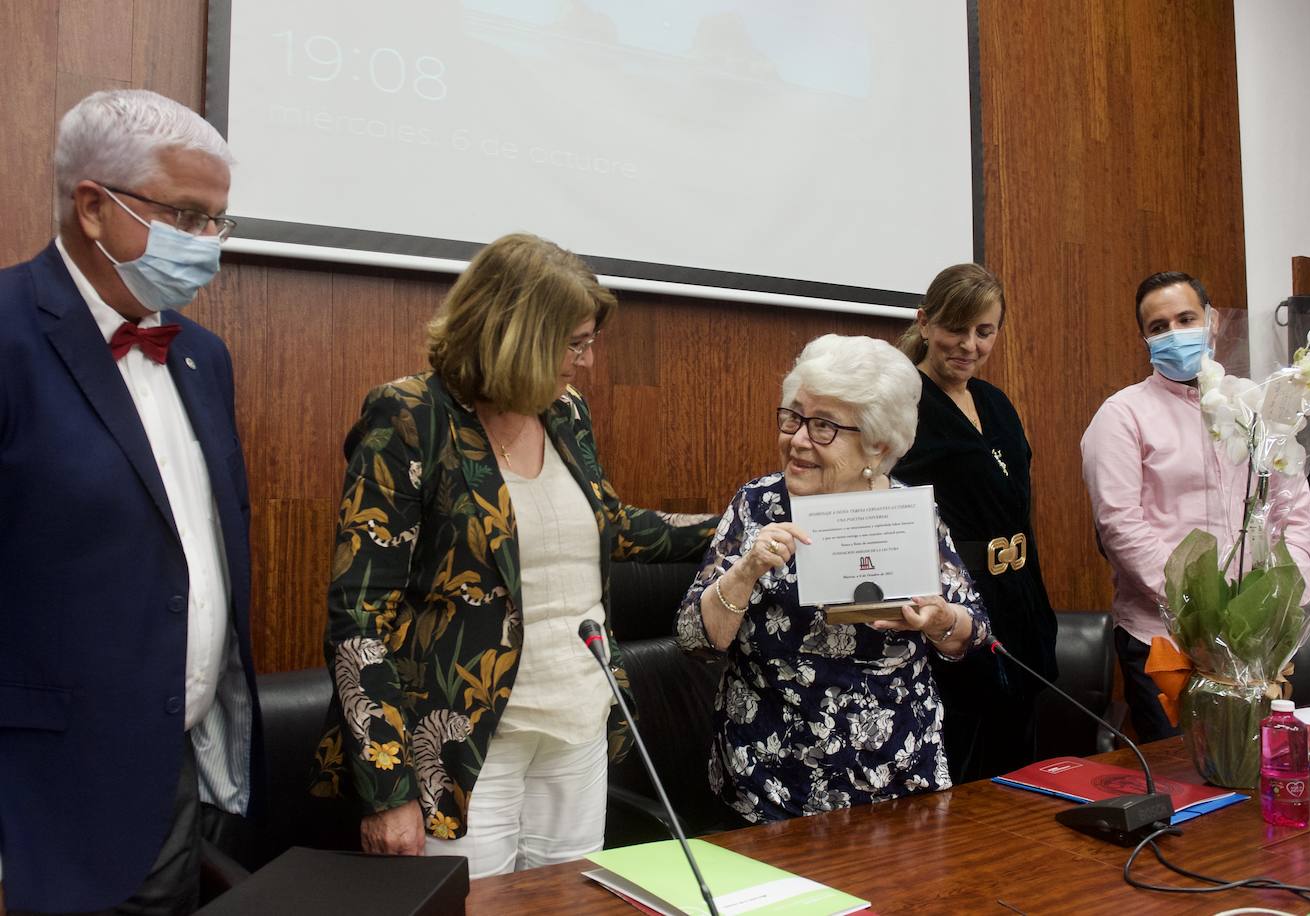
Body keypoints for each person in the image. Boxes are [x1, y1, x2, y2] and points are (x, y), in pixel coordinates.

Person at [310, 233, 716, 878]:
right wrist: (386, 790)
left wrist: (738, 522)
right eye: (574, 344)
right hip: (462, 740)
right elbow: (360, 613)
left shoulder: (565, 411)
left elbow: (610, 525)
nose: (586, 361)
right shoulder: (412, 416)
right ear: (515, 336)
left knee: (567, 902)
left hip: (577, 718)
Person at [0, 90, 258, 914]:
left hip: (171, 776)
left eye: (218, 220)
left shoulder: (202, 356)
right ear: (93, 208)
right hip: (37, 798)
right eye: (186, 215)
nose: (207, 242)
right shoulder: (6, 333)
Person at [675, 335, 991, 823]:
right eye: (793, 417)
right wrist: (746, 570)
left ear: (877, 444)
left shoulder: (905, 514)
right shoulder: (758, 505)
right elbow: (694, 639)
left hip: (898, 783)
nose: (798, 440)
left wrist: (940, 619)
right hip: (769, 784)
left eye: (823, 426)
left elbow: (974, 633)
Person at [1080, 270, 1310, 742]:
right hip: (1164, 639)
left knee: (1259, 764)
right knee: (1181, 772)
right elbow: (1121, 526)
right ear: (1145, 339)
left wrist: (1286, 600)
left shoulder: (1256, 405)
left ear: (1212, 321)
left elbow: (1292, 511)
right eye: (1159, 327)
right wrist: (1202, 612)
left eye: (1186, 319)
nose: (1174, 333)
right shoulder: (1122, 415)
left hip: (1259, 639)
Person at [889, 264, 1058, 783]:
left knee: (1023, 771)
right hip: (952, 612)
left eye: (984, 332)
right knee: (967, 773)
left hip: (1021, 602)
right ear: (924, 322)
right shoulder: (900, 406)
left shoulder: (995, 402)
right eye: (955, 329)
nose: (969, 345)